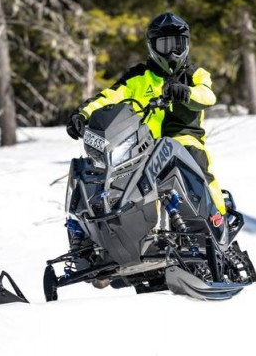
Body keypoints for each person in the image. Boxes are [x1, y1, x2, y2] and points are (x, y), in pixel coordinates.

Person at [66, 12, 227, 221]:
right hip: (143, 143)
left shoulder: (195, 74)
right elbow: (110, 96)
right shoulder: (138, 77)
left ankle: (218, 218)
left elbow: (207, 95)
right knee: (118, 176)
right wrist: (83, 113)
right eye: (164, 45)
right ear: (152, 46)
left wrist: (186, 92)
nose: (172, 52)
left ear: (186, 44)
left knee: (199, 167)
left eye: (177, 44)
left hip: (183, 139)